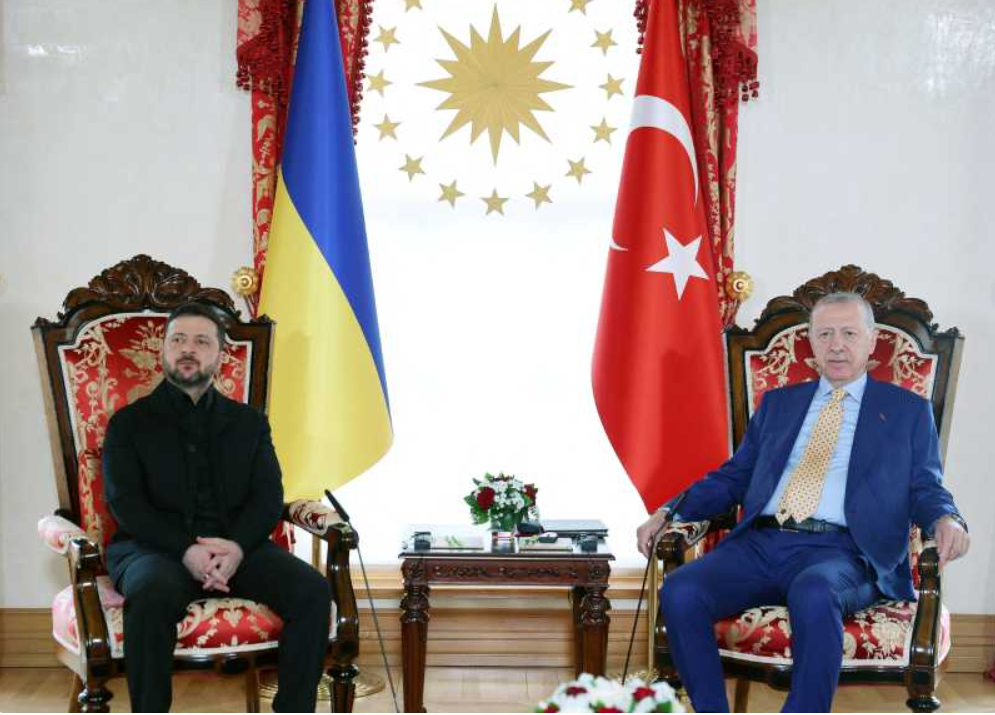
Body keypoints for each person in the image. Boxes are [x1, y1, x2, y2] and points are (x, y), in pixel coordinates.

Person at [635, 292, 970, 713]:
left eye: (849, 334)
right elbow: (734, 476)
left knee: (814, 591)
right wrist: (670, 511)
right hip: (762, 543)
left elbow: (925, 485)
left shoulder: (907, 411)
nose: (836, 345)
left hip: (845, 551)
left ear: (872, 341)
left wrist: (947, 518)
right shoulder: (779, 403)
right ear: (810, 342)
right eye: (825, 334)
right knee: (681, 590)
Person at [103, 302, 332, 712]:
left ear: (220, 356)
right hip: (154, 549)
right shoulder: (128, 423)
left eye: (201, 341)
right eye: (178, 340)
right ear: (163, 351)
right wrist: (185, 550)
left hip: (237, 548)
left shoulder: (250, 423)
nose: (188, 349)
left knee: (312, 592)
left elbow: (267, 497)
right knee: (150, 597)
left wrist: (238, 547)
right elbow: (126, 504)